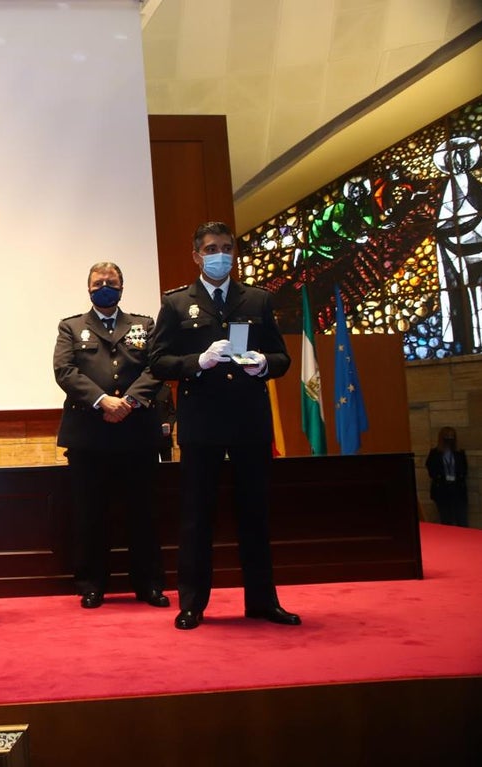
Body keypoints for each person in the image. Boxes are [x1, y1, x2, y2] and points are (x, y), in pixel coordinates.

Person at [148, 221, 301, 631]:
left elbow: (282, 357)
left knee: (255, 512)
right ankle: (193, 604)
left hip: (249, 418)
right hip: (203, 421)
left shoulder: (257, 299)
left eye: (227, 247)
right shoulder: (178, 304)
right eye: (211, 248)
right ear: (197, 255)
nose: (220, 254)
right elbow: (157, 361)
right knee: (197, 515)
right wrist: (197, 362)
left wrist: (264, 364)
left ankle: (263, 601)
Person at [53, 262, 169, 611]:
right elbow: (64, 369)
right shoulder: (71, 327)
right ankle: (92, 585)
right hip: (89, 436)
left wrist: (129, 401)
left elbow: (157, 367)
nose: (105, 286)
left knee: (143, 514)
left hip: (137, 434)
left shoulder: (144, 325)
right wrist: (103, 401)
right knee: (90, 515)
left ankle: (149, 585)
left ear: (122, 286)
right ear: (88, 288)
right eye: (98, 282)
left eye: (111, 282)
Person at [426, 426, 469, 527]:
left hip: (457, 488)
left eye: (451, 437)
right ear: (441, 438)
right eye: (447, 437)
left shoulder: (459, 453)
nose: (449, 440)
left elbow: (464, 469)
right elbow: (431, 470)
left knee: (461, 518)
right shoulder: (435, 453)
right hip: (442, 488)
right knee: (446, 519)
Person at [153, 383, 176, 462]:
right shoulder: (145, 389)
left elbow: (172, 413)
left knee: (167, 467)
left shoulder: (166, 389)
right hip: (149, 437)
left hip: (165, 437)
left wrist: (170, 424)